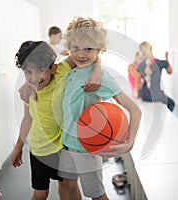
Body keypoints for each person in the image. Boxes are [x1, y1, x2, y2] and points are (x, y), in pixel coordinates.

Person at [59, 16, 142, 200]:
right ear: (69, 48)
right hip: (65, 143)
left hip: (86, 147)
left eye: (89, 48)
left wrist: (130, 142)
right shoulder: (68, 71)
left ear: (99, 48)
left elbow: (135, 110)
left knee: (96, 194)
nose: (81, 54)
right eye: (76, 47)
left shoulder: (101, 78)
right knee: (68, 185)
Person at [11, 41, 101, 200]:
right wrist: (18, 147)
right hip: (39, 151)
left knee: (68, 187)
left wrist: (97, 71)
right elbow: (27, 118)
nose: (34, 78)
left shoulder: (61, 73)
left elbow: (89, 55)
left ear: (53, 68)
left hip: (63, 149)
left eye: (40, 70)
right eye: (28, 72)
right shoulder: (28, 92)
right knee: (40, 194)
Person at [136, 41, 175, 111]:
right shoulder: (160, 63)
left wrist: (138, 95)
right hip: (156, 95)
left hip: (144, 95)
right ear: (151, 48)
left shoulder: (141, 65)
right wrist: (167, 58)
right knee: (172, 103)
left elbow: (138, 81)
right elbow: (170, 71)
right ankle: (168, 119)